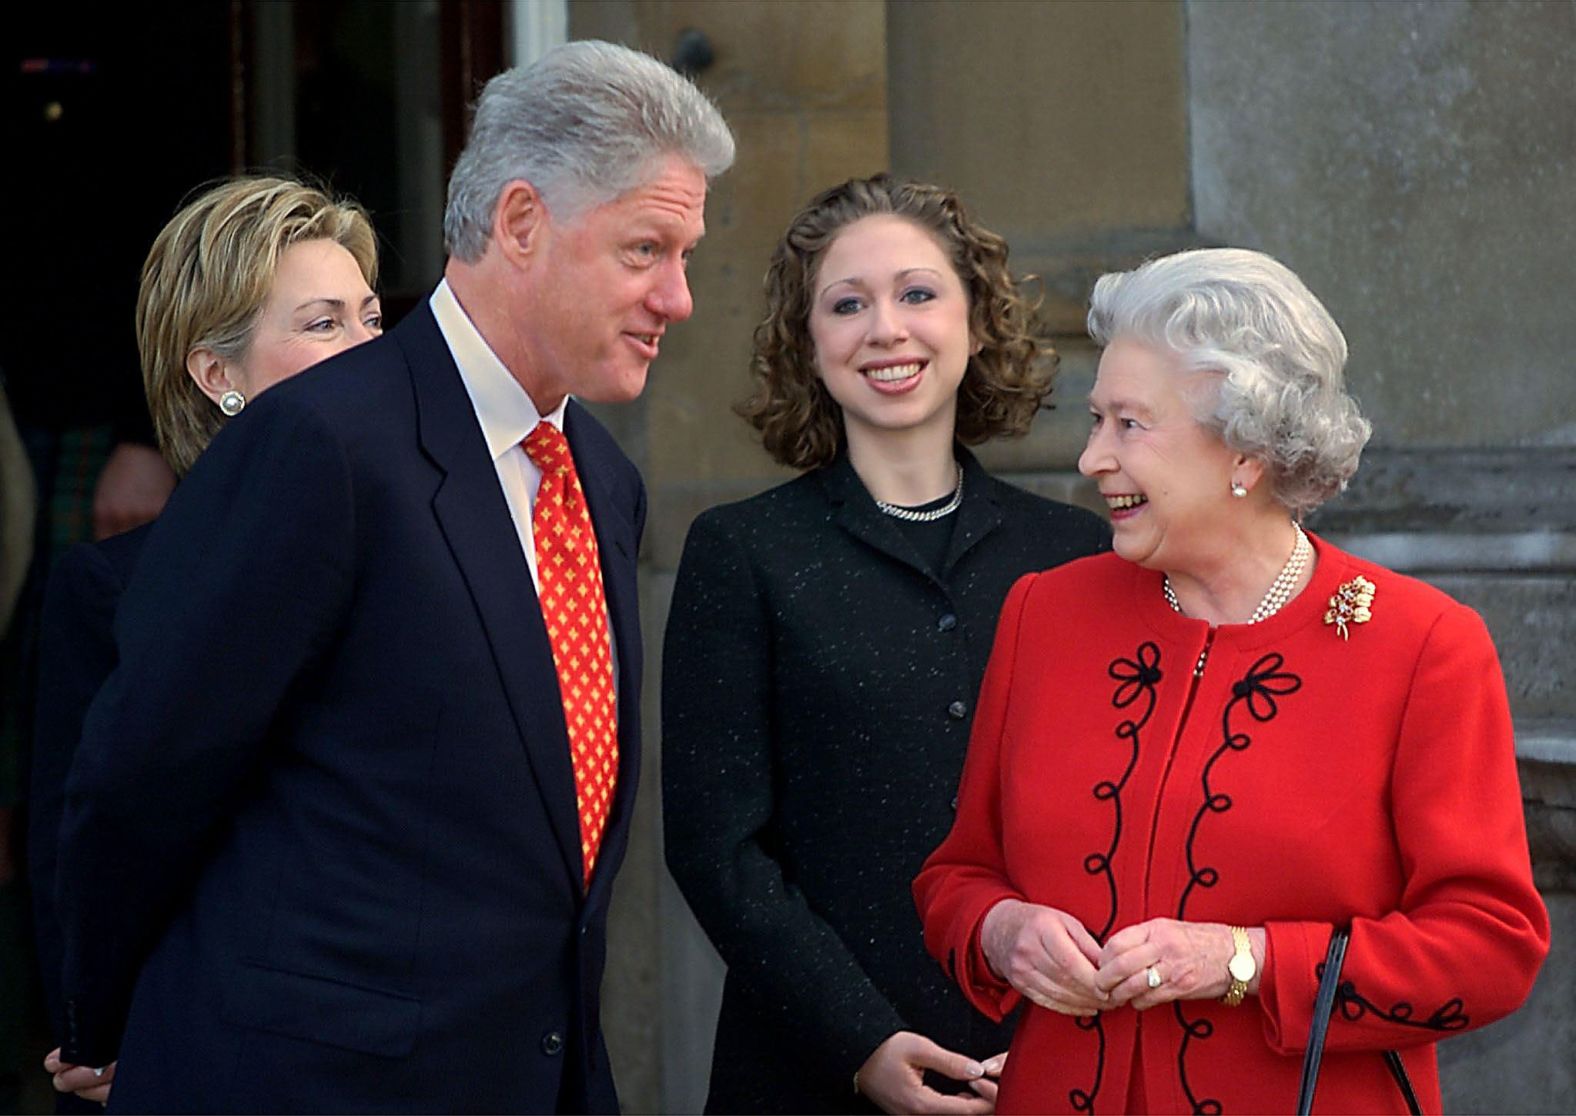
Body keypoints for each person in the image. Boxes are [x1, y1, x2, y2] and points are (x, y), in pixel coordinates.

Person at [54, 40, 733, 1114]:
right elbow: (147, 772)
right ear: (519, 224)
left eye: (686, 254)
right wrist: (102, 1019)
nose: (679, 297)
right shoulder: (318, 440)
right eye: (646, 249)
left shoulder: (602, 477)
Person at [913, 247, 1550, 1113]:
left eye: (1130, 425)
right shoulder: (1043, 615)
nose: (1093, 458)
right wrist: (1000, 932)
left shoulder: (1423, 646)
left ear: (1244, 451)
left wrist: (1245, 960)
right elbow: (958, 874)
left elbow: (1490, 950)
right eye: (1097, 421)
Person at [662, 175, 1111, 1115]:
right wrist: (859, 1040)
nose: (886, 329)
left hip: (1042, 1061)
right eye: (847, 304)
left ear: (978, 322)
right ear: (809, 343)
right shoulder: (742, 552)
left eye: (917, 293)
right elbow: (716, 851)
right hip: (809, 1068)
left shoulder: (1078, 553)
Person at [32, 175, 383, 1109]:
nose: (364, 351)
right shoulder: (108, 589)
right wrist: (96, 1027)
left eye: (370, 318)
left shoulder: (427, 562)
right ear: (216, 376)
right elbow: (83, 848)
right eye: (322, 324)